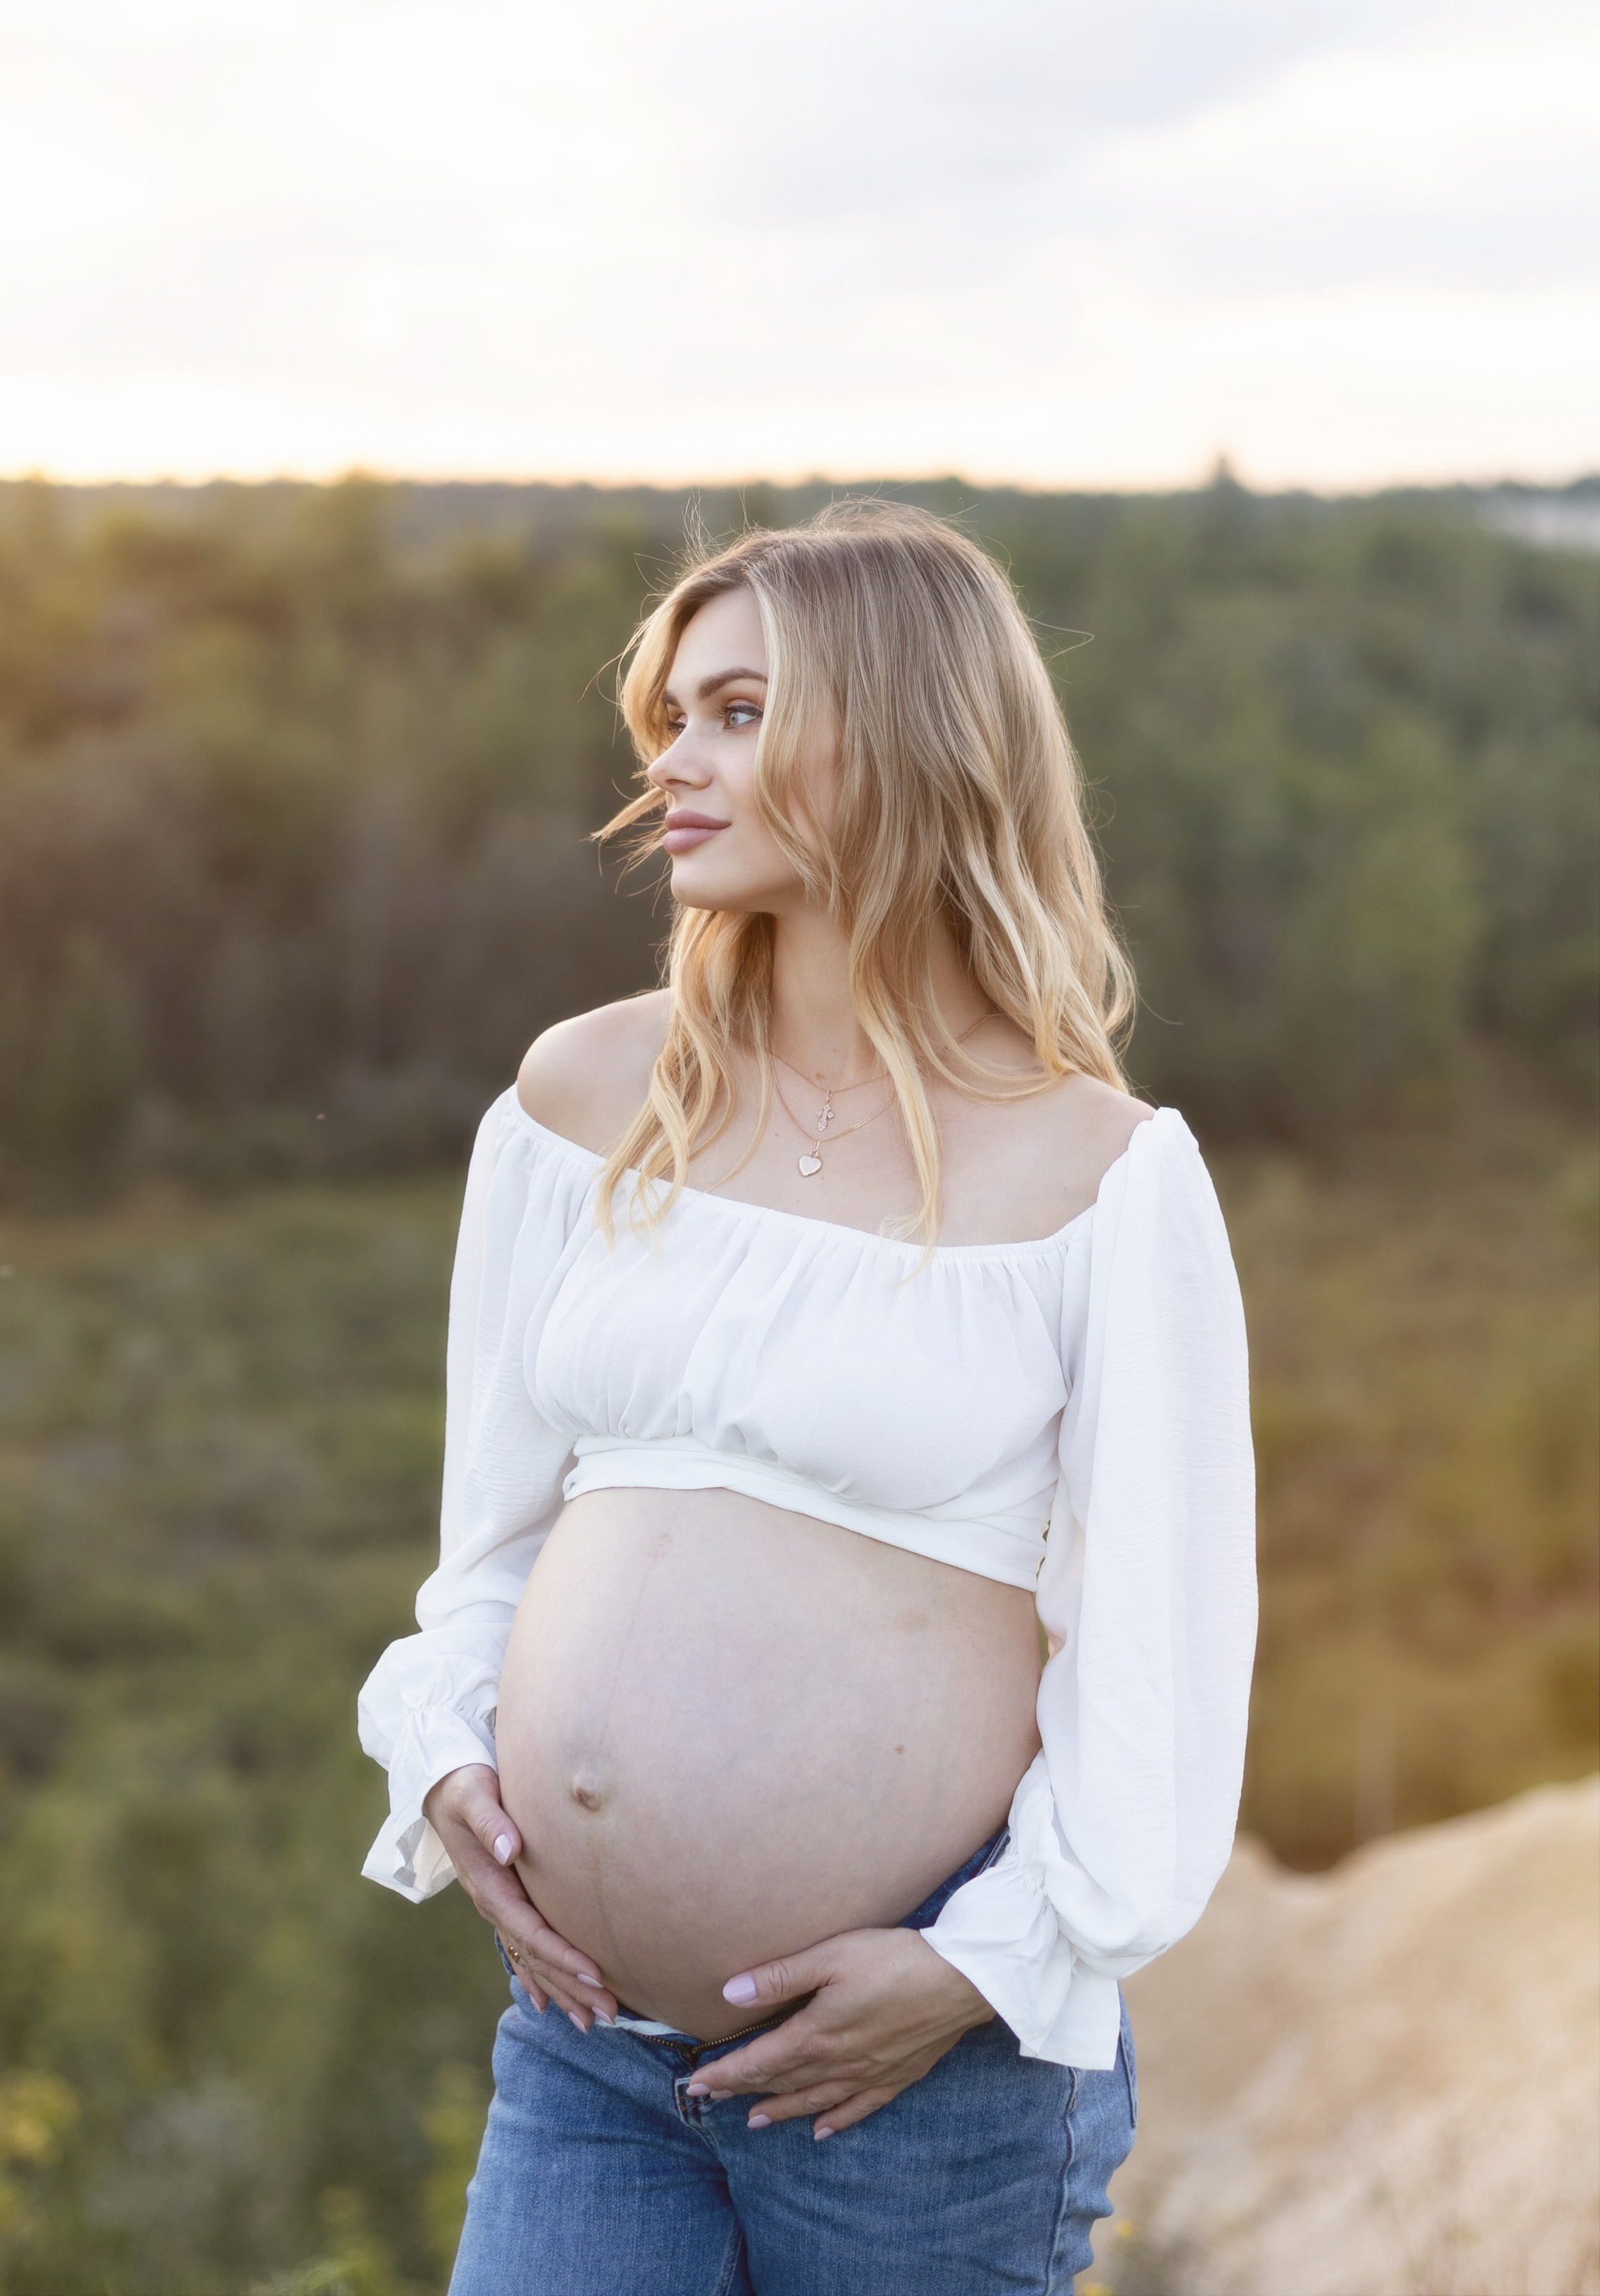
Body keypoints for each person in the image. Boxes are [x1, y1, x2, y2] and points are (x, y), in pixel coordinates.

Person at [359, 500, 1256, 2295]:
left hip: (913, 2089)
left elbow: (1159, 1650)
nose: (673, 767)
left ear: (907, 736)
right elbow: (492, 1544)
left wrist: (983, 1969)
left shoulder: (1101, 1174)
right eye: (670, 718)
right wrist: (447, 1744)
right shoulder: (582, 1098)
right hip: (584, 2049)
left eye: (740, 713)